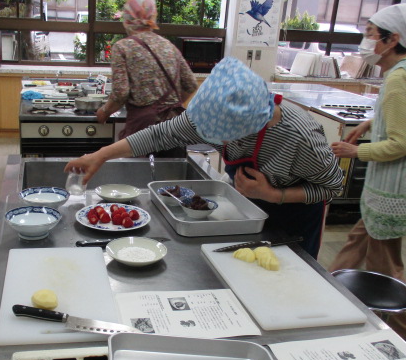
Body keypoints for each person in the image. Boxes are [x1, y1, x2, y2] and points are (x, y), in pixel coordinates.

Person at [65, 57, 344, 258]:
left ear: (250, 126)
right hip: (248, 215)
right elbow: (160, 135)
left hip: (293, 221)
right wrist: (100, 155)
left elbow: (333, 187)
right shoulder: (217, 114)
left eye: (223, 137)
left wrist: (274, 194)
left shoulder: (300, 138)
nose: (218, 141)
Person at [328, 4, 406, 339]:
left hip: (391, 189)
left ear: (392, 40)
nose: (365, 41)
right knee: (356, 241)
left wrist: (355, 150)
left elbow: (401, 143)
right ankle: (330, 296)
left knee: (385, 266)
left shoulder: (397, 79)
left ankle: (403, 334)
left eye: (370, 35)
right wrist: (367, 124)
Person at [96, 0, 198, 143]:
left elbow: (120, 93)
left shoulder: (122, 47)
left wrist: (105, 111)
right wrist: (169, 106)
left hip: (144, 130)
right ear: (153, 16)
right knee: (172, 166)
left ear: (127, 18)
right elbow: (191, 84)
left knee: (141, 166)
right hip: (175, 128)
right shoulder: (168, 45)